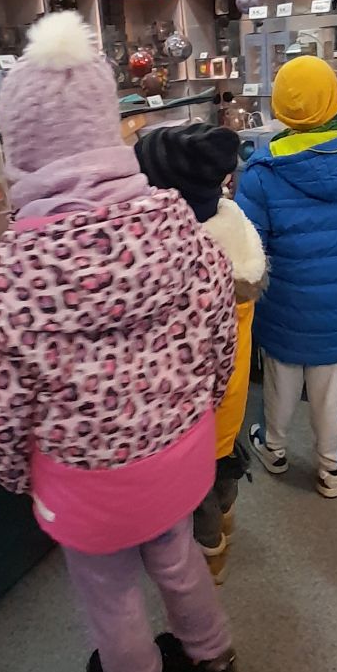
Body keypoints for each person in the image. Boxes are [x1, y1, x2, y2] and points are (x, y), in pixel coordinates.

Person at [0, 12, 248, 672]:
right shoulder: (182, 231)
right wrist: (196, 413)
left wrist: (20, 477)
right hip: (178, 460)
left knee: (109, 591)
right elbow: (220, 335)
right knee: (179, 560)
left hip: (85, 487)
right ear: (107, 125)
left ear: (18, 146)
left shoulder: (8, 282)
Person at [235, 55, 337, 498]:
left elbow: (250, 249)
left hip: (282, 299)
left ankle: (274, 448)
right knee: (329, 383)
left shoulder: (263, 169)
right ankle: (333, 468)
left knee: (280, 374)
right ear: (333, 98)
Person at [135, 123, 267, 583]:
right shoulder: (233, 226)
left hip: (194, 409)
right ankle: (225, 519)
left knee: (198, 494)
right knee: (224, 468)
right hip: (230, 396)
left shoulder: (185, 256)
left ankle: (210, 558)